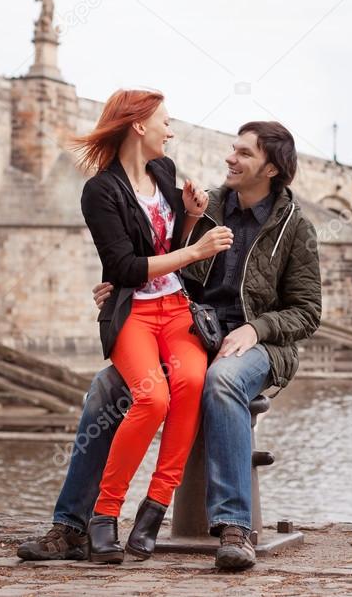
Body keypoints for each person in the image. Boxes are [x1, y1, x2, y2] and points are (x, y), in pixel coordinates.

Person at [18, 120, 322, 571]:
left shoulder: (295, 227)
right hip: (183, 330)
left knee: (222, 381)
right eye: (232, 149)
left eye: (243, 154)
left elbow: (307, 311)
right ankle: (72, 527)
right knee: (106, 387)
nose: (230, 159)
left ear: (273, 169)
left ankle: (234, 527)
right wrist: (120, 286)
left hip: (256, 344)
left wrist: (255, 330)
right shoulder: (206, 207)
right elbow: (156, 257)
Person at [70, 88, 233, 564]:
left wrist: (191, 218)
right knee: (152, 396)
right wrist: (197, 249)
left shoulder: (163, 171)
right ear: (139, 125)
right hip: (132, 314)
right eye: (166, 121)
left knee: (189, 383)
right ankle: (104, 514)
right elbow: (123, 267)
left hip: (176, 309)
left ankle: (154, 510)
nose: (172, 129)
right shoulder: (100, 191)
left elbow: (164, 247)